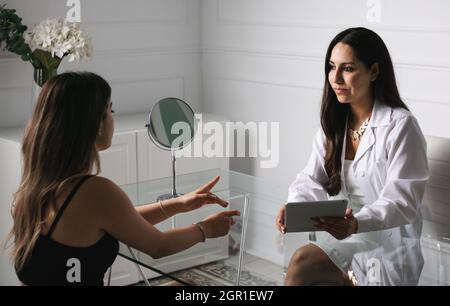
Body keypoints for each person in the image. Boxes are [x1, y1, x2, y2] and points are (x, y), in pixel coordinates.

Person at [7, 72, 240, 286]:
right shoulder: (94, 191)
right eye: (110, 110)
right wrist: (205, 229)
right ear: (95, 124)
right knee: (188, 286)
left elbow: (117, 221)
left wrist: (177, 204)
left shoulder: (35, 188)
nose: (112, 118)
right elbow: (158, 246)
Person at [276, 27, 429, 286]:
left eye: (347, 68)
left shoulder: (401, 125)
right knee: (303, 265)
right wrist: (295, 207)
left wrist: (356, 224)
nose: (335, 78)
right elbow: (311, 178)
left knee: (303, 263)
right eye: (331, 67)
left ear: (374, 71)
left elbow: (401, 201)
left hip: (386, 237)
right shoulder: (334, 124)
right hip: (345, 235)